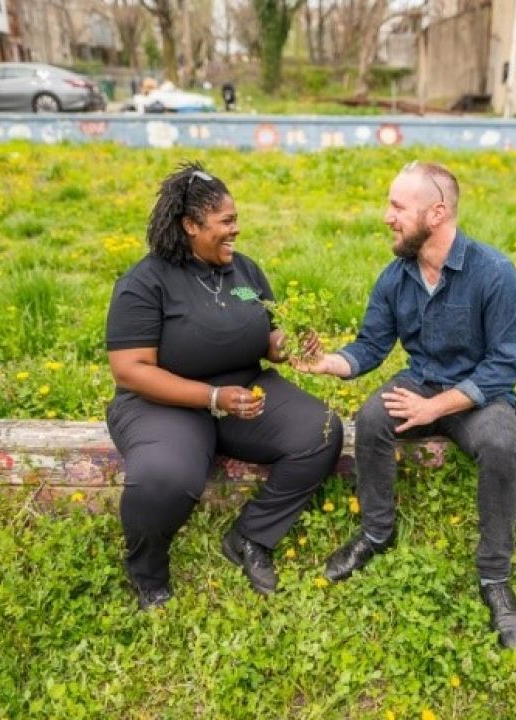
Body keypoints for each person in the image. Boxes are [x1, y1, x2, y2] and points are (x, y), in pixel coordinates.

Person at [296, 161, 516, 650]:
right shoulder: (395, 277)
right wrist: (326, 364)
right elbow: (369, 348)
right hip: (420, 382)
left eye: (399, 207)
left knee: (501, 445)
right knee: (373, 418)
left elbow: (504, 366)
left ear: (437, 213)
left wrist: (435, 409)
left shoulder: (494, 273)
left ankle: (495, 578)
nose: (387, 216)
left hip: (477, 396)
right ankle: (377, 534)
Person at [105, 162, 343, 609]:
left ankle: (250, 536)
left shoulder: (245, 272)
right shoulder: (144, 283)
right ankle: (148, 574)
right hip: (163, 404)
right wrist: (212, 398)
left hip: (245, 392)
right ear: (191, 225)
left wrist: (288, 345)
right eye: (226, 222)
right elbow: (131, 370)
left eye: (236, 219)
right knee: (164, 476)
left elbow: (266, 337)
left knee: (321, 432)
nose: (237, 230)